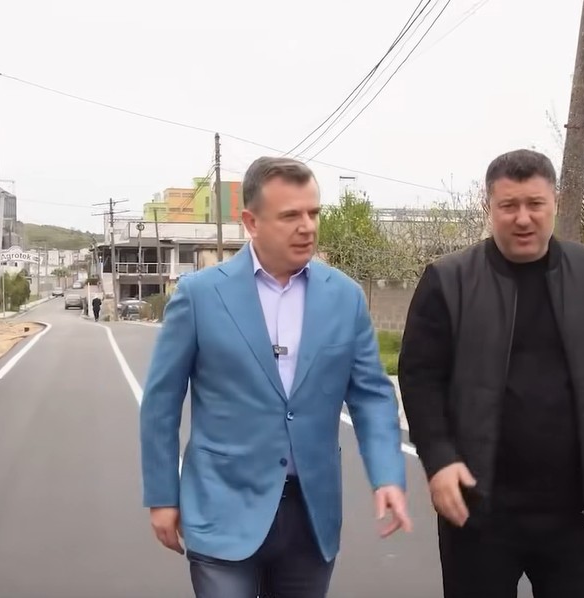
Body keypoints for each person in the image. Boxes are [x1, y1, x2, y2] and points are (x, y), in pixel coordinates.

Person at [140, 156, 411, 598]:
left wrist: (387, 475)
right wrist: (162, 496)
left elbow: (372, 396)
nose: (307, 227)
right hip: (221, 507)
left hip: (311, 516)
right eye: (290, 216)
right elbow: (160, 404)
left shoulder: (344, 297)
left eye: (313, 213)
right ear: (251, 222)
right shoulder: (200, 296)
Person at [398, 149, 584, 598]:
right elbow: (420, 379)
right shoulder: (448, 280)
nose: (522, 218)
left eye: (535, 204)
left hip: (572, 511)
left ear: (554, 202)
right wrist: (438, 459)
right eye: (508, 205)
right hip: (477, 511)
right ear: (489, 207)